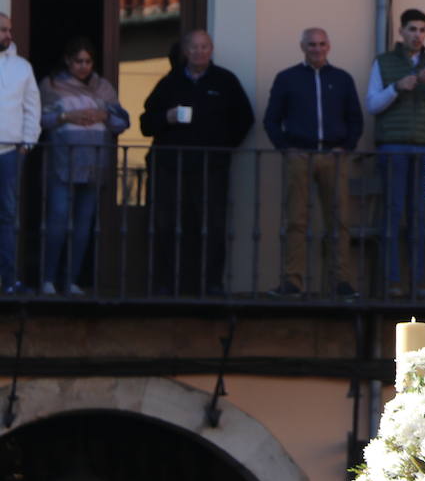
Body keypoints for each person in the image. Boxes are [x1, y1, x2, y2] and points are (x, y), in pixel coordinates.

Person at [140, 30, 254, 296]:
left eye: (205, 47)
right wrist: (166, 118)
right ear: (186, 51)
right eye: (195, 47)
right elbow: (146, 123)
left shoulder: (225, 81)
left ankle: (210, 284)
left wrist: (222, 149)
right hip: (170, 168)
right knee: (166, 225)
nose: (200, 52)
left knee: (211, 226)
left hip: (210, 169)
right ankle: (164, 285)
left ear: (211, 50)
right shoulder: (169, 83)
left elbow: (245, 119)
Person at [262, 27, 365, 299]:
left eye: (321, 44)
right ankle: (292, 281)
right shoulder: (288, 79)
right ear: (303, 47)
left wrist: (346, 147)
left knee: (339, 221)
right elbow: (272, 119)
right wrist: (286, 149)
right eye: (311, 45)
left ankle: (340, 281)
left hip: (334, 157)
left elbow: (355, 119)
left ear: (328, 46)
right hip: (299, 157)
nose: (317, 49)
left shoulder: (341, 79)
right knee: (296, 219)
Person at [38, 37, 130, 294]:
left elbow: (123, 122)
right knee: (57, 222)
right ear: (68, 60)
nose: (83, 66)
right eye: (78, 61)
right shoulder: (52, 84)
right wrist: (67, 116)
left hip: (94, 165)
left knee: (83, 225)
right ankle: (48, 279)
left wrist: (105, 115)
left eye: (87, 61)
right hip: (62, 163)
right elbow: (38, 119)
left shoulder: (104, 88)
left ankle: (72, 280)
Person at [367, 8, 425, 298]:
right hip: (393, 146)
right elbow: (372, 104)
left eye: (422, 30)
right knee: (393, 214)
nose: (417, 35)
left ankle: (418, 282)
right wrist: (397, 88)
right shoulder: (384, 62)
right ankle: (392, 282)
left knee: (419, 217)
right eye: (412, 29)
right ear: (401, 32)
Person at [0, 13, 40, 294]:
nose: (8, 35)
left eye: (9, 30)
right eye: (2, 30)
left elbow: (32, 108)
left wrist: (27, 143)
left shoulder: (22, 68)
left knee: (7, 215)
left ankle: (8, 279)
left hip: (10, 152)